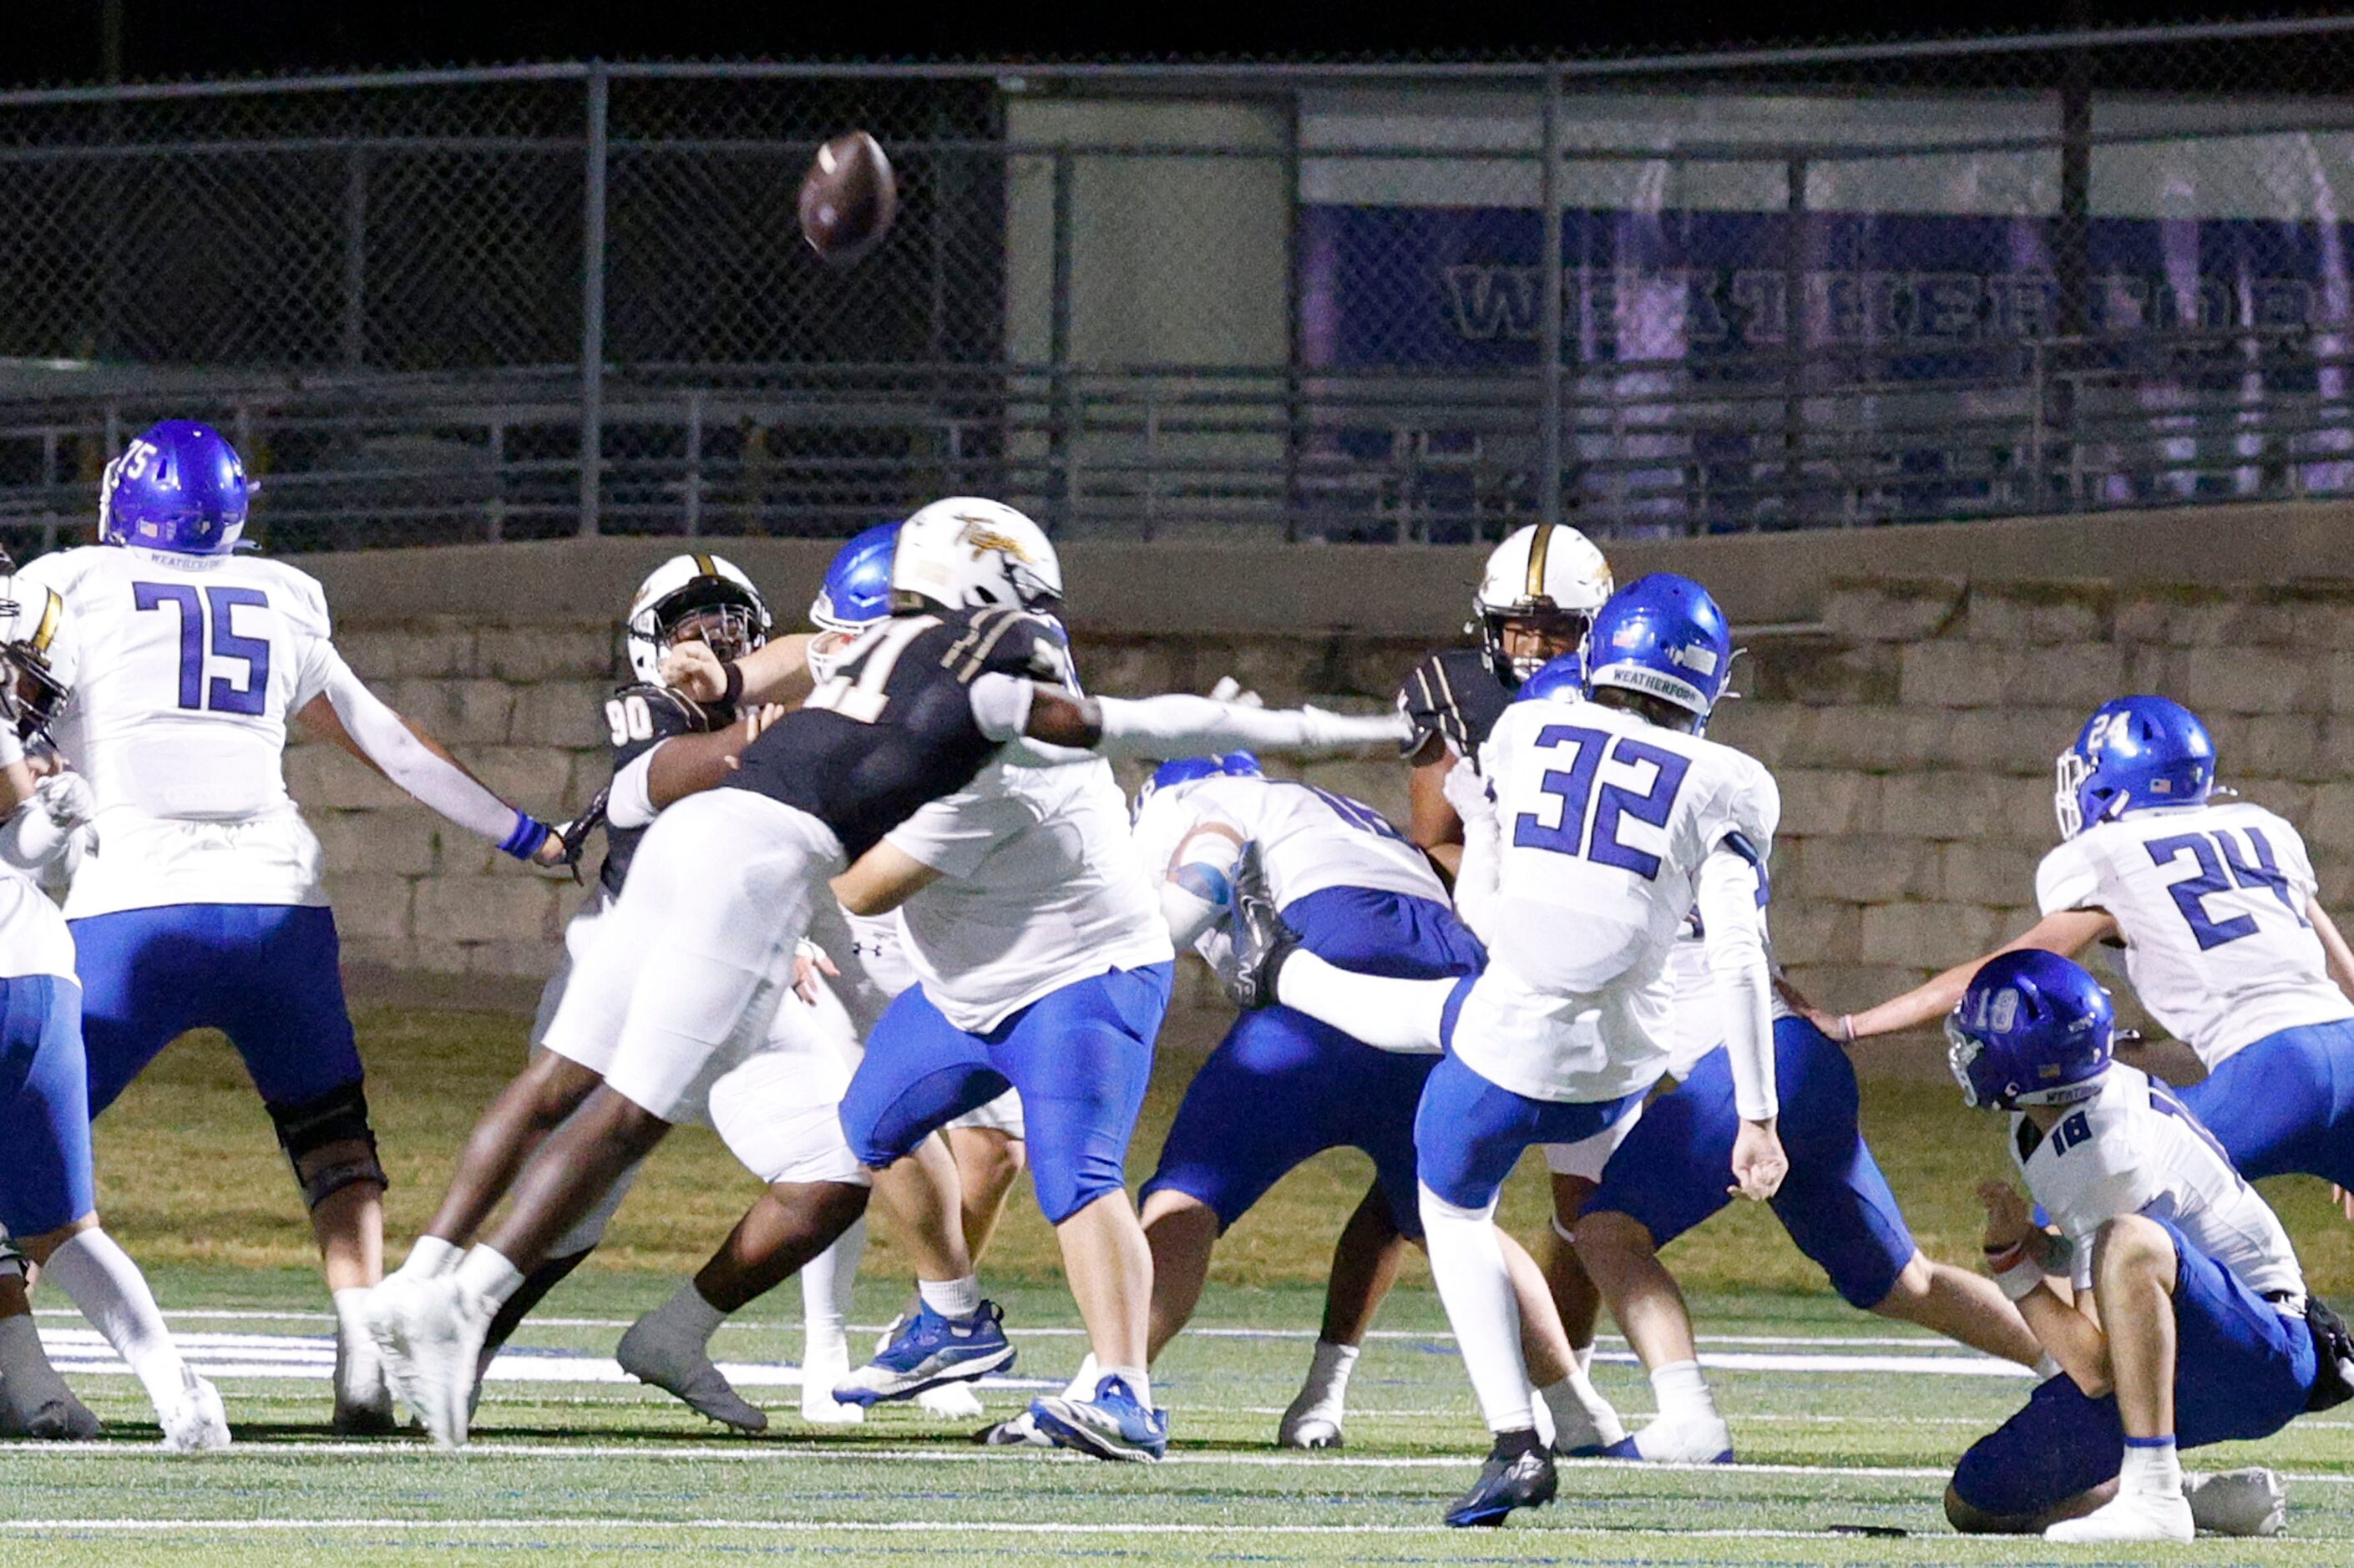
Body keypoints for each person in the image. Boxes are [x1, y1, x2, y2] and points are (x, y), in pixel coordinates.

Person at [370, 497, 1413, 1449]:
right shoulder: (946, 660)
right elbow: (825, 660)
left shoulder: (992, 736)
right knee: (829, 1125)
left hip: (1074, 978)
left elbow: (870, 882)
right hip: (923, 962)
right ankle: (944, 1316)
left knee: (1061, 1177)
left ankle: (1122, 1390)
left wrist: (774, 807)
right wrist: (736, 689)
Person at [15, 421, 572, 1434]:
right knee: (330, 1135)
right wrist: (526, 833)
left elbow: (25, 730)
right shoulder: (281, 595)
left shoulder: (77, 583)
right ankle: (361, 1353)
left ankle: (25, 1374)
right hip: (280, 905)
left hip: (130, 902)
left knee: (19, 1151)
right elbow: (389, 743)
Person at [1227, 574, 1785, 1526]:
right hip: (1616, 1069)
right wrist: (1757, 1115)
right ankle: (1280, 974)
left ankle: (1515, 1440)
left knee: (1449, 1212)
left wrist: (1480, 820)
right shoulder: (1731, 780)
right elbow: (1741, 956)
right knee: (1474, 1051)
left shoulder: (1526, 733)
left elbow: (1484, 910)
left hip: (1506, 1046)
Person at [1124, 749, 1621, 1455]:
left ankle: (1113, 1382)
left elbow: (1187, 891)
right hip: (1449, 973)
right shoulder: (1341, 815)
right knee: (1452, 1215)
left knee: (1187, 1192)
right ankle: (1578, 1411)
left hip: (1330, 962)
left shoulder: (1186, 806)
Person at [1822, 695, 2354, 1194]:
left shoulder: (2106, 855)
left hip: (2271, 1068)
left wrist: (1854, 1025)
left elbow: (2009, 972)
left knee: (2090, 1214)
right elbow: (2342, 965)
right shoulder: (2259, 829)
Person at [1942, 949, 2334, 1543]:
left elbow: (2095, 1365)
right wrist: (2040, 1250)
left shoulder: (2103, 1149)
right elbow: (2092, 1255)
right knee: (1978, 1501)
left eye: (1983, 1032)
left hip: (2261, 1350)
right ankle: (2194, 1498)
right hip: (2191, 1344)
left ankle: (2154, 1497)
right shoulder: (2057, 1116)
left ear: (2033, 1058)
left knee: (2126, 1241)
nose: (1969, 1047)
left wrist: (2012, 1267)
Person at [0, 563, 228, 1450]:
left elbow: (33, 828)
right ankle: (177, 1394)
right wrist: (49, 819)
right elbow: (37, 848)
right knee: (65, 1230)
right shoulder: (47, 758)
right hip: (39, 978)